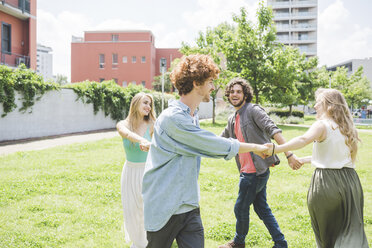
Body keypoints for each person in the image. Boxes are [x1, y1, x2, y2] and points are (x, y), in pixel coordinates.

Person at [141, 54, 269, 248]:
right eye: (210, 81)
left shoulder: (192, 116)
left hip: (188, 203)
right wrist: (255, 147)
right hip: (164, 205)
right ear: (196, 83)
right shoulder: (173, 118)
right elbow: (211, 145)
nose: (212, 87)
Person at [264, 88, 369, 248]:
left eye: (318, 103)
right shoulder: (347, 128)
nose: (314, 106)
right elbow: (335, 157)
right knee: (350, 231)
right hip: (351, 183)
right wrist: (304, 160)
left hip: (327, 184)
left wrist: (275, 149)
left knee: (326, 235)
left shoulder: (322, 125)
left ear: (329, 105)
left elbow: (303, 139)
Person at [218, 78, 302, 248]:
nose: (235, 94)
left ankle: (238, 242)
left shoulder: (253, 110)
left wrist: (289, 154)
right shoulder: (232, 118)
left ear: (245, 94)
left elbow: (273, 130)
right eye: (232, 91)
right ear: (228, 94)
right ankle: (280, 243)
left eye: (238, 91)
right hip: (247, 170)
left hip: (255, 171)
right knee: (261, 208)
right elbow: (219, 140)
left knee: (240, 207)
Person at [116, 92, 156, 248]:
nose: (148, 107)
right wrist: (142, 140)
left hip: (147, 172)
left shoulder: (153, 123)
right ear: (136, 103)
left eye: (150, 104)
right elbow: (125, 134)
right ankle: (138, 242)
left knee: (147, 209)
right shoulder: (123, 124)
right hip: (130, 172)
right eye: (145, 102)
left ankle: (147, 242)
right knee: (131, 210)